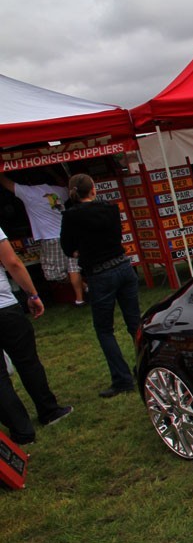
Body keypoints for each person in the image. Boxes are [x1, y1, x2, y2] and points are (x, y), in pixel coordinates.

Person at [60, 174, 141, 398]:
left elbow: (67, 248)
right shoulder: (110, 209)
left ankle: (122, 379)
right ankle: (144, 365)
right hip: (123, 266)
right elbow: (117, 236)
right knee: (135, 322)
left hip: (100, 273)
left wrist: (82, 250)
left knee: (104, 329)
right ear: (93, 190)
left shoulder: (71, 216)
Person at [0, 225, 73, 445]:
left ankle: (22, 430)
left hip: (5, 307)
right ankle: (48, 411)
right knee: (27, 361)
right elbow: (12, 262)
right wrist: (32, 294)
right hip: (5, 308)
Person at [0, 170, 87, 306]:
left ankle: (83, 292)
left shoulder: (28, 192)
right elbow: (67, 187)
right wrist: (53, 172)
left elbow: (7, 184)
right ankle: (81, 296)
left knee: (53, 274)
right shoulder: (58, 190)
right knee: (73, 268)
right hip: (68, 233)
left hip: (51, 237)